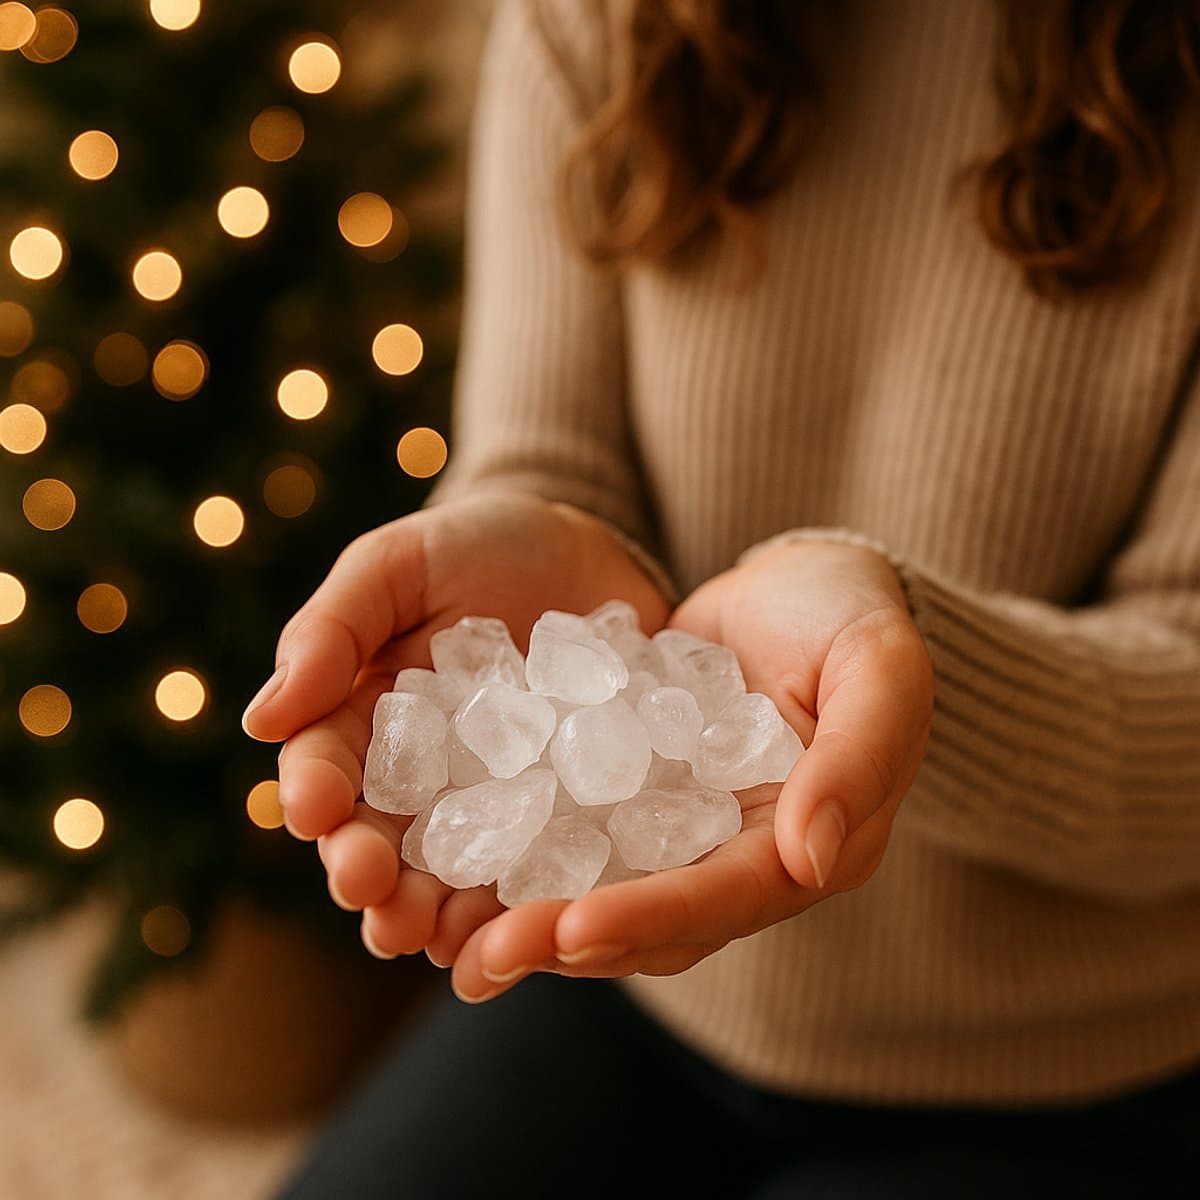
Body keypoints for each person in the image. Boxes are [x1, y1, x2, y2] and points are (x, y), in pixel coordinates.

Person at [246, 1, 1200, 1195]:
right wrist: (519, 552)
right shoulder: (597, 19)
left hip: (1076, 1065)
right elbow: (548, 462)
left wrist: (908, 665)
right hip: (644, 986)